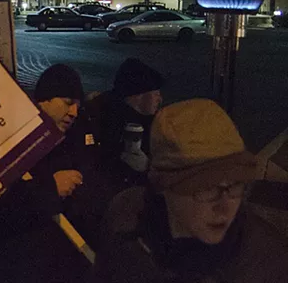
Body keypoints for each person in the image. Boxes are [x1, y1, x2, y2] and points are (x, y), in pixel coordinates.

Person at [94, 98, 288, 283]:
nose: (225, 206)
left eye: (235, 185)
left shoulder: (266, 263)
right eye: (208, 189)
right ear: (163, 186)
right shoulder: (125, 221)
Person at [0, 64, 92, 283]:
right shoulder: (10, 141)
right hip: (17, 265)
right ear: (43, 100)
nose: (74, 112)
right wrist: (51, 188)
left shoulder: (74, 137)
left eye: (78, 105)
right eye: (68, 103)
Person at [87, 58, 164, 183]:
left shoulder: (154, 121)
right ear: (138, 95)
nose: (160, 99)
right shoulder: (108, 119)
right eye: (156, 94)